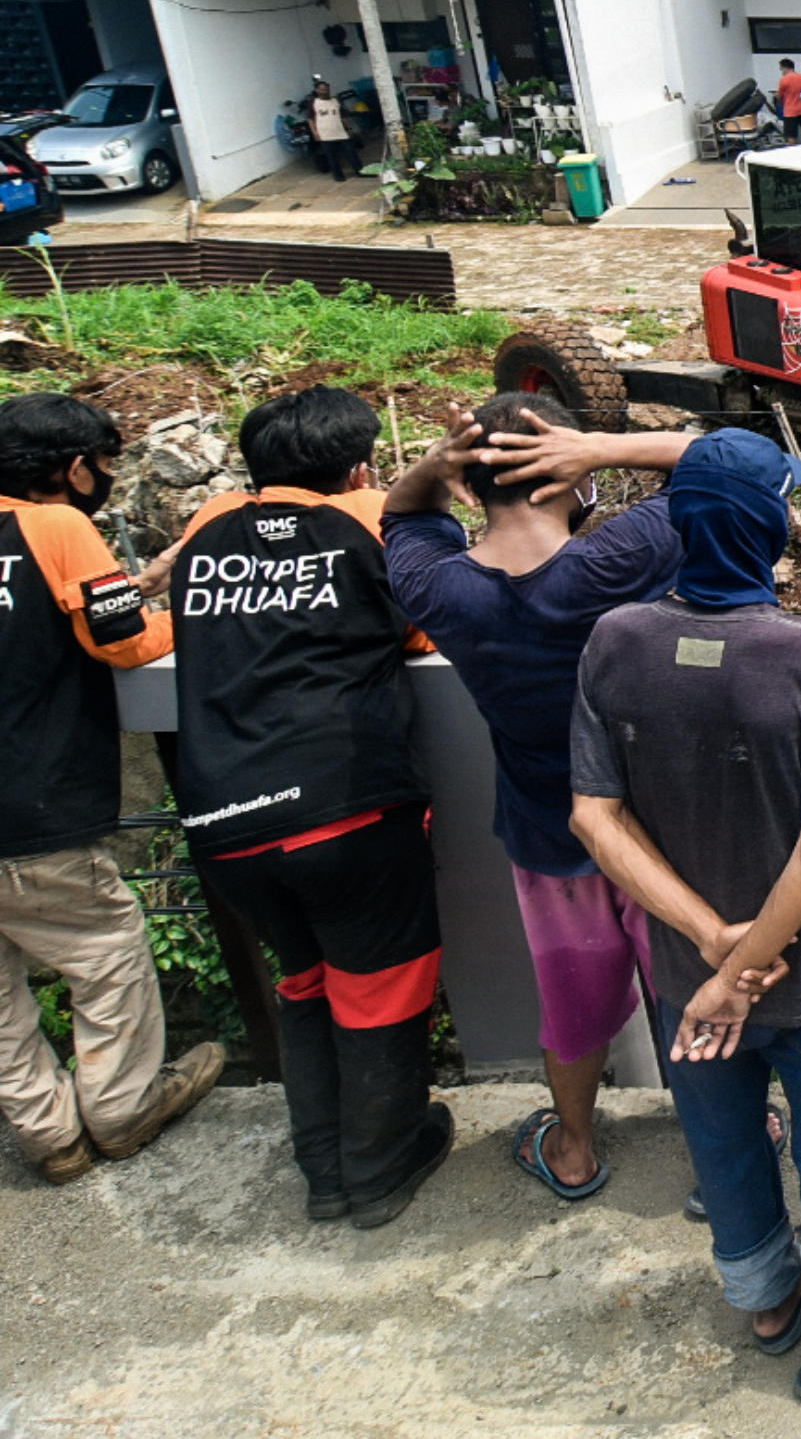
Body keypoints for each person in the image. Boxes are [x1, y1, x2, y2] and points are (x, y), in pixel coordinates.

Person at [568, 429, 801, 1400]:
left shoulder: (615, 640)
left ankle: (767, 1296)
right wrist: (747, 965)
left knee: (725, 1136)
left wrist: (710, 945)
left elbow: (593, 815)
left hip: (688, 977)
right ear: (768, 525)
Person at [382, 396, 697, 1201]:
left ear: (472, 480)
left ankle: (575, 1149)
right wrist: (600, 446)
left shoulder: (441, 588)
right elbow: (718, 463)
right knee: (693, 991)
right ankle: (727, 1146)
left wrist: (435, 465)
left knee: (573, 1002)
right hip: (661, 832)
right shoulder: (616, 561)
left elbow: (401, 515)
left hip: (549, 834)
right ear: (566, 473)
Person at [164, 386, 447, 1229]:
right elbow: (423, 629)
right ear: (360, 466)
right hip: (343, 804)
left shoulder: (207, 526)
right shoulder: (368, 519)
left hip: (223, 818)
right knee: (380, 987)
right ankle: (381, 1167)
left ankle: (323, 1173)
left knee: (305, 982)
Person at [0, 394, 222, 1185]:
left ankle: (50, 1137)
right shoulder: (57, 526)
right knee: (104, 953)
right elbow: (122, 642)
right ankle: (121, 1109)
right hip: (33, 806)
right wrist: (188, 613)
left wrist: (137, 582)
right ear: (72, 468)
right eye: (101, 465)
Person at [307, 78, 357, 182]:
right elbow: (310, 119)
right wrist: (315, 133)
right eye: (322, 89)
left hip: (340, 132)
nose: (325, 91)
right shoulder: (314, 103)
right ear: (317, 90)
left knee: (351, 153)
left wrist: (349, 128)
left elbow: (343, 116)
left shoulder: (335, 101)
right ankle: (338, 176)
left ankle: (359, 170)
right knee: (332, 157)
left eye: (327, 89)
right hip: (325, 135)